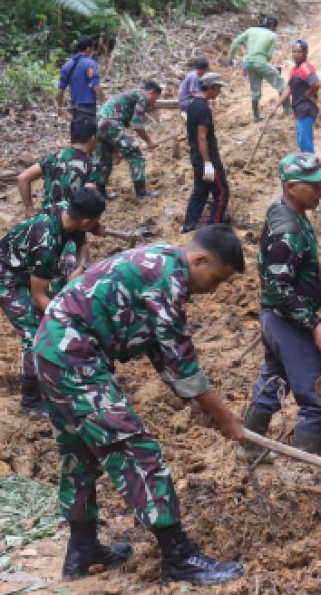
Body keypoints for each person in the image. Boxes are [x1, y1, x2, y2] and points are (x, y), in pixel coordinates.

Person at [33, 225, 248, 584]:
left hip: (53, 351)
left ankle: (82, 549)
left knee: (80, 453)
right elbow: (183, 362)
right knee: (134, 448)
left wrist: (197, 406)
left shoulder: (158, 263)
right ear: (199, 259)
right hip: (74, 357)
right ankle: (179, 556)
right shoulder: (167, 280)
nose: (213, 290)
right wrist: (226, 417)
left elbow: (159, 351)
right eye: (217, 280)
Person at [0, 189, 108, 416]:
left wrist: (80, 266)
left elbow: (81, 241)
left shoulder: (66, 211)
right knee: (36, 331)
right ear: (86, 220)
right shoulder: (46, 245)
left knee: (53, 315)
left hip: (25, 268)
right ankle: (30, 401)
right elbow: (38, 295)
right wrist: (64, 320)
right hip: (3, 277)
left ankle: (54, 371)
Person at [240, 153, 321, 458]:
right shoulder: (287, 231)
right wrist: (313, 324)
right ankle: (305, 464)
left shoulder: (290, 213)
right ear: (292, 187)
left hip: (278, 318)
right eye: (314, 185)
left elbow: (296, 265)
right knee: (314, 398)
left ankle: (250, 446)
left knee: (273, 381)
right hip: (288, 321)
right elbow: (277, 285)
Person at [17, 116, 103, 216]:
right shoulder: (92, 164)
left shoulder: (54, 157)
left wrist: (29, 209)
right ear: (93, 139)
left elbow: (22, 178)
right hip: (70, 222)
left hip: (46, 220)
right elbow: (90, 200)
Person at [95, 80, 162, 200]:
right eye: (155, 99)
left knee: (104, 159)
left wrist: (115, 153)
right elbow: (137, 124)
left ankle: (100, 194)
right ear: (151, 92)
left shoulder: (129, 98)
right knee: (135, 154)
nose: (153, 104)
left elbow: (113, 136)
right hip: (110, 123)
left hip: (98, 124)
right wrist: (149, 141)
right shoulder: (143, 95)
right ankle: (141, 192)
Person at [181, 72, 230, 233]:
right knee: (222, 192)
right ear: (211, 87)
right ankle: (213, 228)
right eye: (218, 88)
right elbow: (202, 137)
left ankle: (189, 225)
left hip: (196, 156)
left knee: (201, 190)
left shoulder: (193, 105)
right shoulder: (203, 109)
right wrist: (208, 163)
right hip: (206, 157)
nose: (220, 92)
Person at [229, 16, 289, 123]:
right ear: (272, 26)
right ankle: (287, 109)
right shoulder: (272, 35)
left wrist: (231, 58)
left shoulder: (251, 30)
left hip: (248, 63)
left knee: (255, 90)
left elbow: (235, 42)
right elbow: (268, 56)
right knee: (281, 85)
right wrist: (272, 69)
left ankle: (256, 116)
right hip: (261, 62)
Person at [269, 39, 321, 153]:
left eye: (299, 52)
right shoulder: (294, 70)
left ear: (305, 53)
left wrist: (308, 94)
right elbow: (289, 89)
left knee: (305, 142)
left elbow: (316, 84)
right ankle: (308, 166)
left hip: (306, 109)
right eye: (294, 52)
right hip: (299, 109)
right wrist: (276, 104)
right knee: (302, 141)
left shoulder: (306, 67)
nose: (296, 55)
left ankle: (311, 167)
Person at [56, 36, 104, 125]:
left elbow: (60, 89)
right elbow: (96, 85)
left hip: (75, 107)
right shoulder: (90, 64)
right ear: (88, 48)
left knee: (78, 132)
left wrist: (59, 106)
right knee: (89, 133)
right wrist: (104, 102)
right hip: (88, 107)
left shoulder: (67, 66)